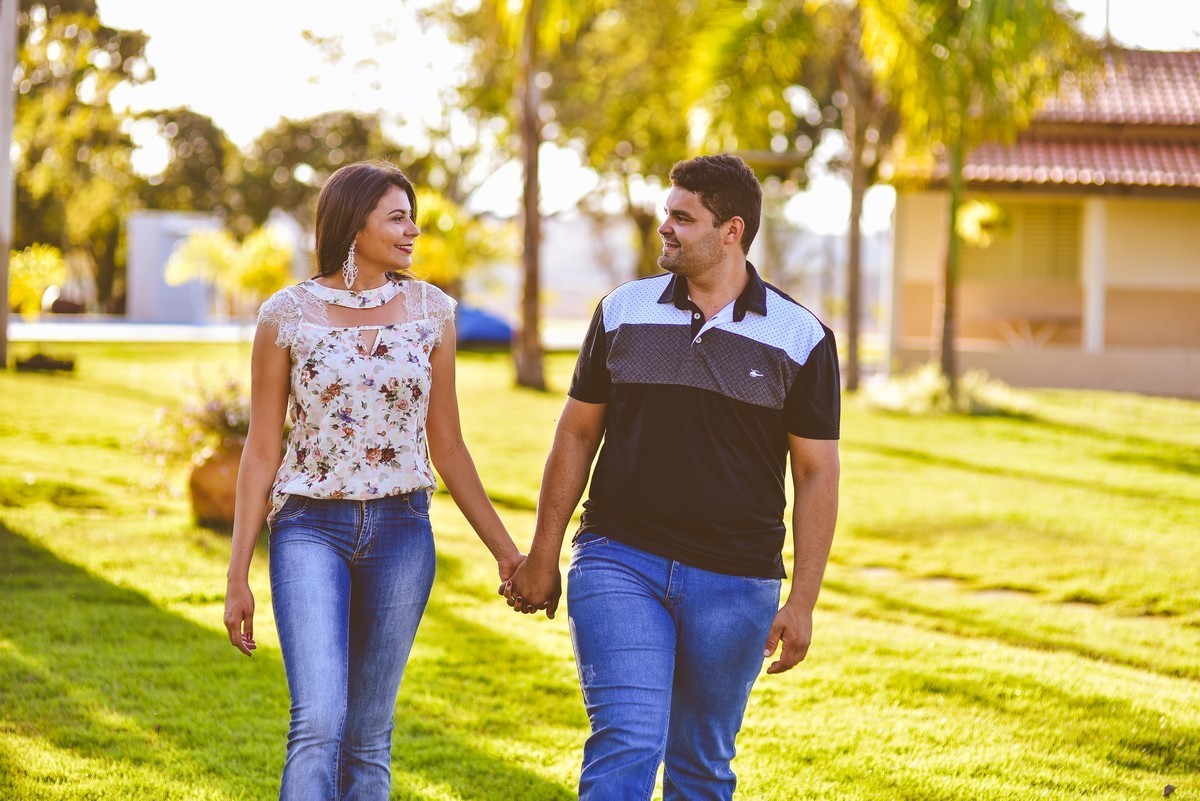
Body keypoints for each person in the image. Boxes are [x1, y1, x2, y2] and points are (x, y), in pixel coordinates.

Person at [502, 153, 840, 800]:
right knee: (626, 739)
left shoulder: (801, 337)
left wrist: (803, 600)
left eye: (682, 218)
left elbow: (817, 471)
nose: (666, 228)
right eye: (667, 214)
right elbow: (576, 433)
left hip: (737, 580)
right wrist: (543, 553)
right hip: (619, 558)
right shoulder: (623, 312)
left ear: (732, 230)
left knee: (701, 766)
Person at [223, 160, 524, 800]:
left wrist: (507, 554)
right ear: (353, 223)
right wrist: (237, 574)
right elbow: (261, 450)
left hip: (402, 533)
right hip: (309, 528)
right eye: (397, 217)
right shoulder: (286, 315)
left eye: (412, 217)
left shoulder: (432, 311)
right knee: (319, 719)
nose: (413, 230)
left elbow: (448, 444)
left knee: (368, 733)